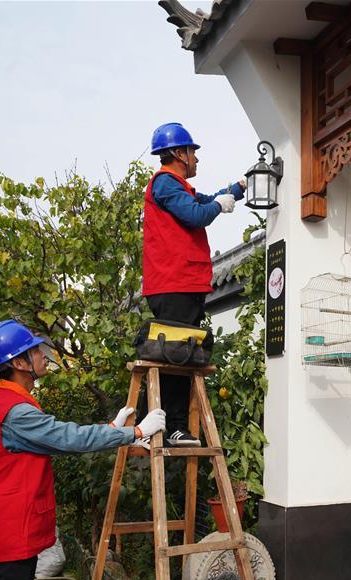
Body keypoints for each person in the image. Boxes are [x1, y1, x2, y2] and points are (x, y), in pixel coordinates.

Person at [0, 319, 167, 580]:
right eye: (35, 350)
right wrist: (133, 431)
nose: (43, 354)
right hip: (6, 533)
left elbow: (54, 437)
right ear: (20, 364)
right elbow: (68, 438)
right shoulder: (16, 413)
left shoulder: (8, 403)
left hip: (2, 528)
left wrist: (112, 429)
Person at [142, 122, 246, 447]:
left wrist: (240, 187)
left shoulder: (177, 187)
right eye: (193, 152)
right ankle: (159, 426)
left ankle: (166, 427)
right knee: (171, 355)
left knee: (179, 355)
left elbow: (208, 199)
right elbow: (197, 214)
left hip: (183, 283)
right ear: (178, 153)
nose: (197, 159)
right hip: (173, 282)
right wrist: (217, 207)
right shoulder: (165, 184)